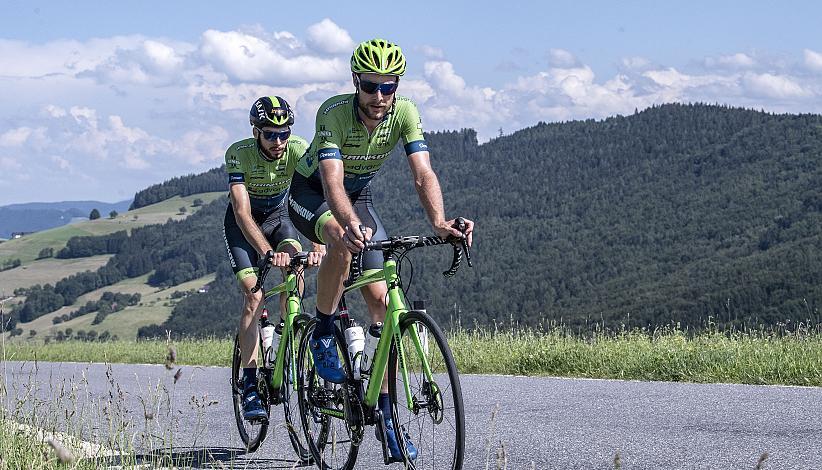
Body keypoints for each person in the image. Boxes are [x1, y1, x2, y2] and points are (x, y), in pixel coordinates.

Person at [288, 38, 474, 461]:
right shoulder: (333, 113)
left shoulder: (405, 112)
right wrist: (349, 224)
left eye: (388, 87)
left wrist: (440, 223)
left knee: (381, 304)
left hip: (360, 196)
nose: (379, 97)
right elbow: (332, 182)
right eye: (371, 86)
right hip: (311, 194)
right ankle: (321, 329)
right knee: (340, 237)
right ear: (357, 82)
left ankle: (387, 420)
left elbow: (422, 172)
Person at [223, 96, 323, 422]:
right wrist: (266, 252)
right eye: (271, 134)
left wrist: (317, 242)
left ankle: (284, 341)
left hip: (281, 218)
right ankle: (250, 383)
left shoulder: (298, 148)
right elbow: (240, 211)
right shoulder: (239, 154)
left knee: (296, 272)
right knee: (254, 296)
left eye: (284, 134)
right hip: (245, 225)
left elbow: (317, 195)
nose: (279, 141)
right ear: (256, 132)